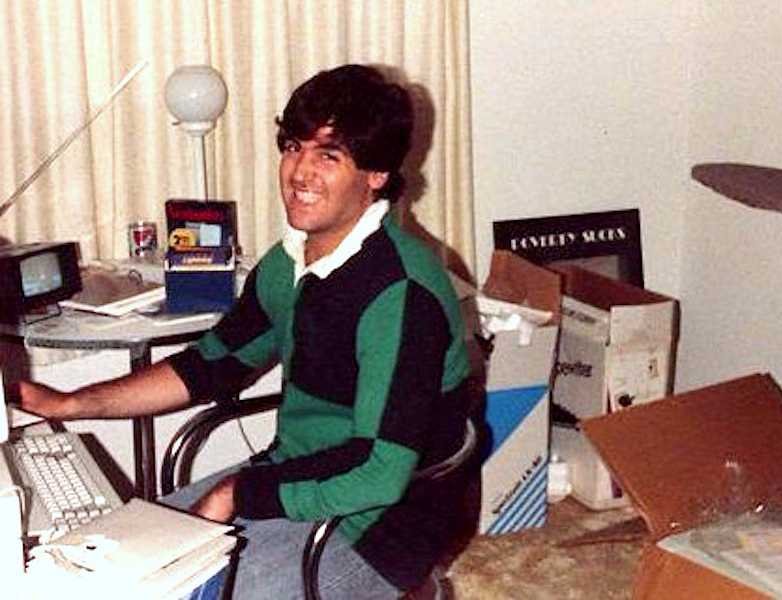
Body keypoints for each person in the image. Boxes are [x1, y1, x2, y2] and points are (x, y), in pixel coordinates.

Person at [20, 64, 472, 599]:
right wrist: (71, 404)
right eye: (294, 147)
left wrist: (239, 493)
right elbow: (211, 365)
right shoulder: (290, 264)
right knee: (107, 578)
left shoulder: (401, 294)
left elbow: (378, 472)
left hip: (380, 529)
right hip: (296, 478)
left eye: (329, 155)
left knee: (181, 593)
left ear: (375, 174)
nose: (300, 172)